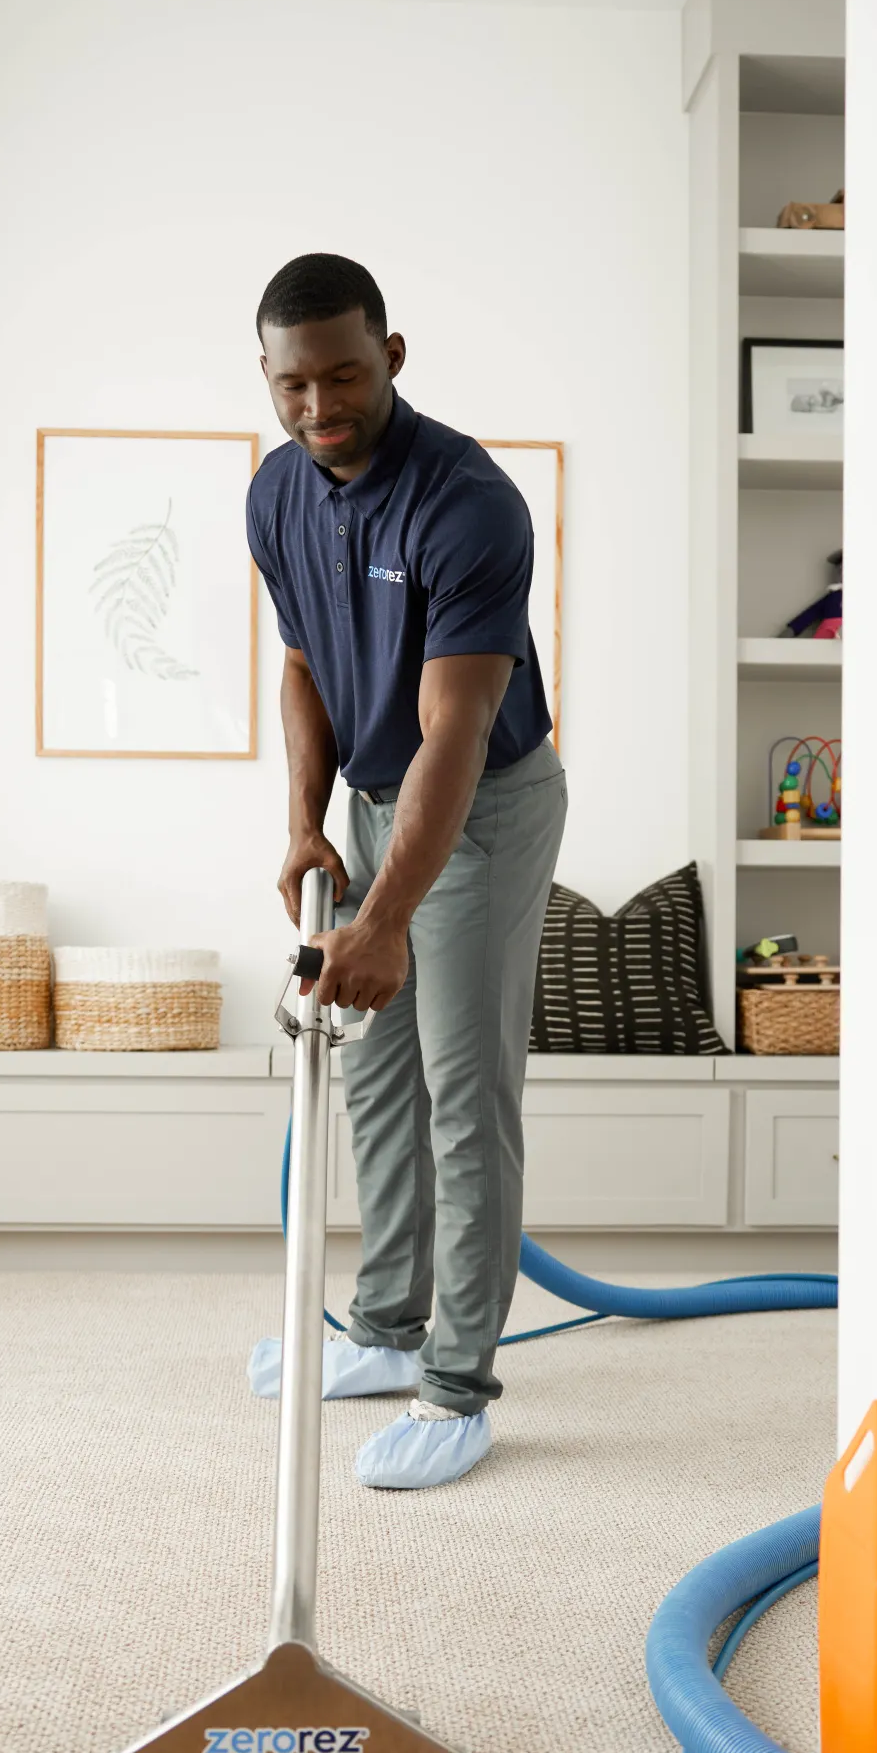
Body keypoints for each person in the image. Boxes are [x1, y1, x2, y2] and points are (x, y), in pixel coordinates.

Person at [245, 253, 566, 1490]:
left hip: (477, 803)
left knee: (462, 1092)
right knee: (376, 1077)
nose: (318, 405)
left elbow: (456, 730)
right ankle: (384, 1328)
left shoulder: (468, 502)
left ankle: (457, 1388)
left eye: (343, 375)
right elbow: (302, 667)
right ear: (266, 375)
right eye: (292, 383)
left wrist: (384, 919)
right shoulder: (276, 491)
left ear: (391, 354)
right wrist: (305, 823)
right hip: (375, 800)